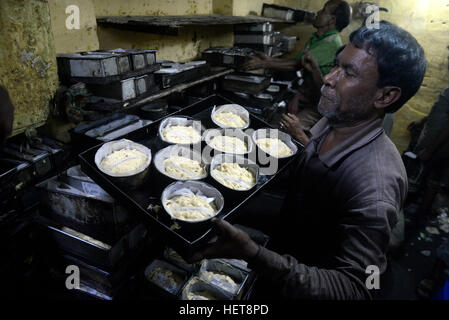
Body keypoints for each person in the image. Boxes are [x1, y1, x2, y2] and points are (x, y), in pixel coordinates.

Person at [191, 21, 426, 300]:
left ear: (385, 96)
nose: (329, 78)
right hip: (288, 253)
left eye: (348, 73)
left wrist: (254, 254)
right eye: (337, 65)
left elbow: (358, 288)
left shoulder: (374, 184)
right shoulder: (333, 121)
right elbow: (308, 180)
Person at [242, 0, 352, 135]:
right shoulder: (317, 38)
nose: (318, 13)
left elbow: (295, 65)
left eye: (323, 10)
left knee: (285, 131)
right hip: (306, 96)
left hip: (317, 105)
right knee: (277, 121)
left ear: (331, 19)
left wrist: (263, 64)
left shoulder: (331, 43)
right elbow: (296, 61)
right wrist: (269, 59)